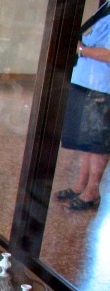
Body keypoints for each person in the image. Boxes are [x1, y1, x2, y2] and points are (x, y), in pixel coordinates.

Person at [58, 1, 110, 210]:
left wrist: (81, 49)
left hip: (102, 87)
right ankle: (81, 185)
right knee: (84, 141)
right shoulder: (107, 5)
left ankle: (92, 192)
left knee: (97, 144)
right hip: (85, 81)